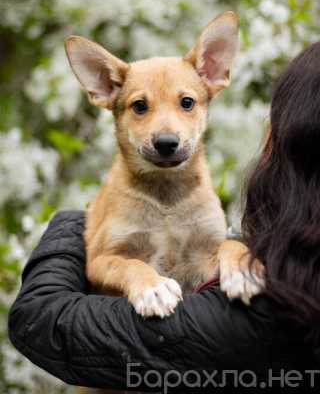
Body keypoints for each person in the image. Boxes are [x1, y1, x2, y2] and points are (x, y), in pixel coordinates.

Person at [8, 43, 320, 392]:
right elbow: (106, 262)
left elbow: (40, 317)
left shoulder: (265, 312)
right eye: (140, 107)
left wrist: (72, 223)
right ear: (104, 88)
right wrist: (232, 253)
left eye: (186, 103)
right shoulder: (292, 269)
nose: (166, 131)